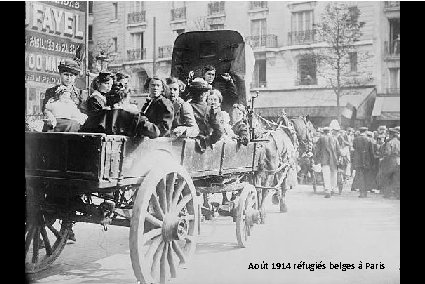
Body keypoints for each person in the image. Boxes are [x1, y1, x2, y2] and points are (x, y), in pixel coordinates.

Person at [42, 58, 87, 131]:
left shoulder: (80, 94)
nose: (68, 78)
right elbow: (45, 109)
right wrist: (51, 118)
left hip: (73, 127)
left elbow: (84, 114)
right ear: (60, 74)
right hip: (54, 124)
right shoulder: (51, 91)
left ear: (75, 77)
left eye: (71, 75)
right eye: (66, 75)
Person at [187, 77, 223, 149]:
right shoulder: (209, 109)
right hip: (202, 145)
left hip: (186, 142)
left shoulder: (186, 106)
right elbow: (219, 131)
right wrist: (208, 140)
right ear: (204, 94)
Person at [314, 126, 340, 198]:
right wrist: (338, 158)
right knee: (333, 174)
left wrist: (316, 159)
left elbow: (317, 150)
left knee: (326, 175)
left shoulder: (321, 139)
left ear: (323, 132)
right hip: (334, 160)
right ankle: (333, 189)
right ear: (330, 132)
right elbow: (338, 150)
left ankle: (327, 191)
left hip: (324, 160)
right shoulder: (335, 138)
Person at [352, 127, 374, 198]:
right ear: (366, 131)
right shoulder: (369, 140)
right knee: (366, 177)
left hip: (358, 161)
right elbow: (372, 152)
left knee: (360, 177)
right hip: (367, 161)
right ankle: (365, 193)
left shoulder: (355, 139)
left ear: (359, 131)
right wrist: (372, 162)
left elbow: (354, 148)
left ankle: (361, 193)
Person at [380, 128, 400, 199]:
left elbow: (388, 153)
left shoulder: (390, 143)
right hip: (398, 161)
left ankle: (388, 194)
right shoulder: (399, 142)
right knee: (397, 178)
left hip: (391, 161)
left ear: (391, 135)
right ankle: (398, 195)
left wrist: (383, 159)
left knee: (388, 177)